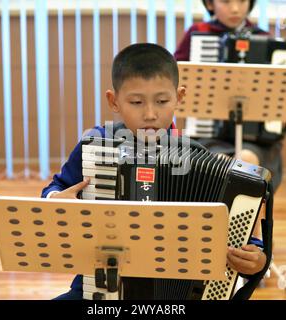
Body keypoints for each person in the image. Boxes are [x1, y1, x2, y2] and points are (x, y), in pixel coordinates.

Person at [42, 43, 267, 300]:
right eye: (136, 102)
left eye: (162, 101)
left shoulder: (198, 159)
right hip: (102, 286)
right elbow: (55, 189)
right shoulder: (96, 144)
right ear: (113, 101)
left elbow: (241, 236)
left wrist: (256, 258)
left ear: (179, 97)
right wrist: (55, 201)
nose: (150, 114)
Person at [175, 0, 285, 192]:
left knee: (247, 162)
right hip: (209, 136)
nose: (235, 8)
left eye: (242, 1)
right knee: (220, 167)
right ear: (210, 4)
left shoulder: (264, 39)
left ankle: (246, 220)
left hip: (257, 141)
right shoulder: (198, 33)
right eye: (226, 1)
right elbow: (175, 77)